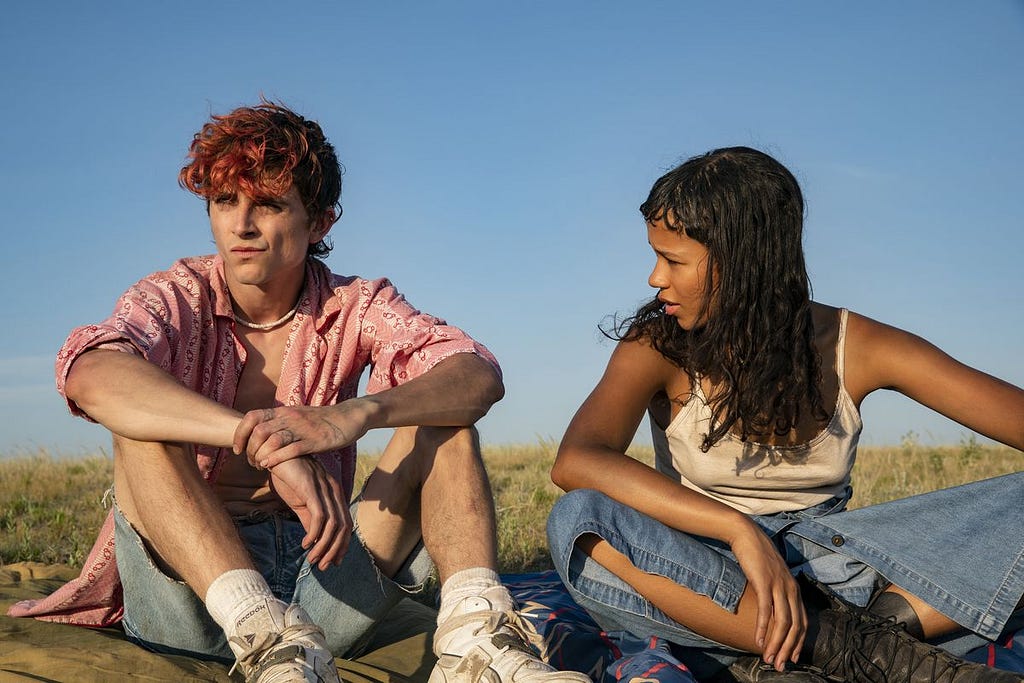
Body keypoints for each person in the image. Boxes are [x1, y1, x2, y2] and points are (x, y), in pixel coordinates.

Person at [8, 100, 591, 683]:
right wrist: (255, 439)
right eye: (224, 202)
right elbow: (91, 372)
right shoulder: (175, 294)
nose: (241, 226)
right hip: (190, 592)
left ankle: (474, 648)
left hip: (325, 581)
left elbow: (475, 374)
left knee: (441, 416)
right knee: (141, 425)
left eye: (267, 204)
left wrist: (352, 416)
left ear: (320, 222)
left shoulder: (356, 304)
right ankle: (265, 636)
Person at [545, 147, 1024, 683]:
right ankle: (866, 653)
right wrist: (737, 530)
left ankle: (820, 648)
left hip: (841, 575)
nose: (655, 278)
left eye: (674, 260)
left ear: (744, 260)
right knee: (577, 520)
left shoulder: (857, 344)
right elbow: (576, 461)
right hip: (707, 571)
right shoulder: (657, 344)